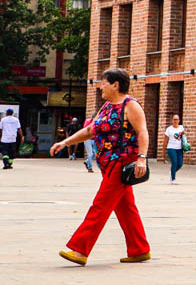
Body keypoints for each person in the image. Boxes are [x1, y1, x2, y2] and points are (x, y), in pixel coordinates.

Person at [50, 68, 151, 265]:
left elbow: (143, 132)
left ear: (116, 85)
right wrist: (65, 142)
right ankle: (139, 249)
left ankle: (80, 249)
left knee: (100, 205)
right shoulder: (106, 106)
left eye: (103, 83)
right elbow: (90, 130)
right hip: (107, 162)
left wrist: (142, 158)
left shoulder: (130, 105)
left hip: (121, 161)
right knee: (126, 208)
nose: (100, 87)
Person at [164, 115, 185, 184]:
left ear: (179, 120)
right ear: (172, 120)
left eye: (177, 119)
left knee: (180, 164)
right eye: (174, 119)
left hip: (179, 148)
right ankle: (173, 179)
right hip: (171, 148)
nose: (175, 121)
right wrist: (163, 151)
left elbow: (183, 138)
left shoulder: (181, 128)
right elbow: (165, 141)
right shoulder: (169, 129)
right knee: (174, 162)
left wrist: (186, 145)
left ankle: (172, 173)